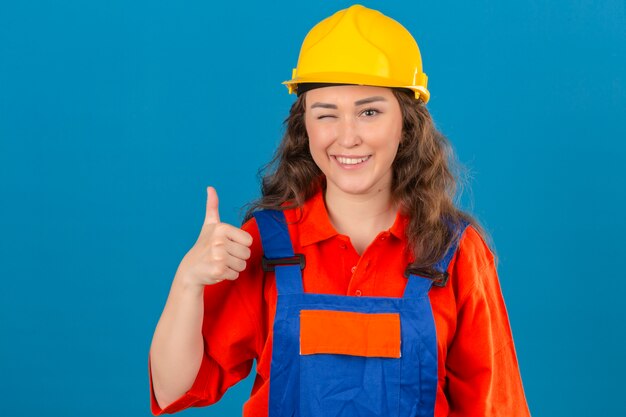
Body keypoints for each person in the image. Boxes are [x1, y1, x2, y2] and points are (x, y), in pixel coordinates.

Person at [149, 4, 531, 417]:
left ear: (406, 124)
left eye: (369, 112)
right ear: (305, 126)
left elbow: (497, 408)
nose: (347, 137)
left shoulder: (455, 253)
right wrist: (187, 281)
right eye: (326, 114)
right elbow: (173, 389)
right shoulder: (265, 244)